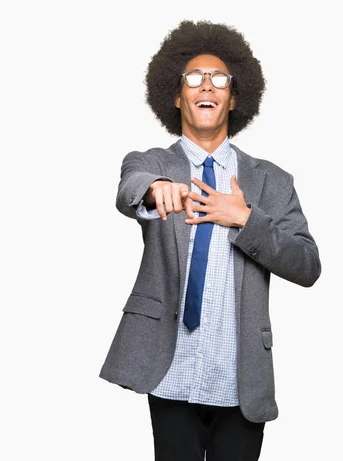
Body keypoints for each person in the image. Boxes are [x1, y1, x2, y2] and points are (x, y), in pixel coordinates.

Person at [99, 20, 321, 461]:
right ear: (177, 96)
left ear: (234, 98)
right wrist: (155, 188)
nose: (207, 85)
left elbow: (308, 264)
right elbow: (130, 187)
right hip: (170, 369)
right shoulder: (152, 162)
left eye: (219, 78)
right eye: (194, 78)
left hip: (240, 376)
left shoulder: (271, 182)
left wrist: (244, 218)